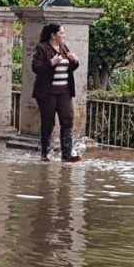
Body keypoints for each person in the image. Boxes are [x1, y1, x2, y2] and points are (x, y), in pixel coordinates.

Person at [32, 22, 81, 162]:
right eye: (61, 33)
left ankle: (67, 153)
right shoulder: (42, 48)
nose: (64, 35)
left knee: (67, 120)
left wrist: (74, 61)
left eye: (64, 33)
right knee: (48, 121)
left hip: (64, 91)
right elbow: (36, 67)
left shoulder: (64, 48)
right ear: (53, 35)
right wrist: (51, 62)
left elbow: (69, 68)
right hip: (48, 92)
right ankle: (45, 152)